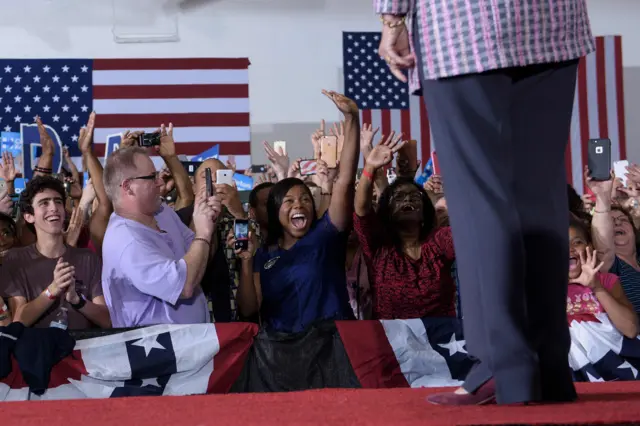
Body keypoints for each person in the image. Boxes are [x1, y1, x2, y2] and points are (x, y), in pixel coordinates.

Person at [375, 0, 594, 405]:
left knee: (479, 202)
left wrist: (392, 17)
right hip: (554, 24)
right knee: (542, 197)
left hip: (464, 27)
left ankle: (502, 365)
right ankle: (547, 369)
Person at [231, 90, 360, 332]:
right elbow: (249, 309)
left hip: (334, 349)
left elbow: (344, 180)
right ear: (275, 211)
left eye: (305, 199)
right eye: (288, 201)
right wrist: (247, 263)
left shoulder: (326, 236)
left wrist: (352, 119)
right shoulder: (264, 256)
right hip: (285, 355)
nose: (298, 205)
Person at [101, 147, 220, 327]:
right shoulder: (127, 241)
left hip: (190, 344)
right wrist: (203, 234)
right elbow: (185, 285)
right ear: (128, 187)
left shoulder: (162, 211)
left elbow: (197, 257)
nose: (159, 182)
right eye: (151, 177)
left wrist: (203, 215)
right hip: (160, 351)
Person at [4, 176, 110, 329]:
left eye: (58, 201)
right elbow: (19, 321)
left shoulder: (88, 258)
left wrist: (77, 300)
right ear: (29, 216)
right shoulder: (15, 259)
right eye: (44, 203)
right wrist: (52, 290)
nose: (53, 208)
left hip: (83, 350)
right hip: (39, 350)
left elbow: (107, 320)